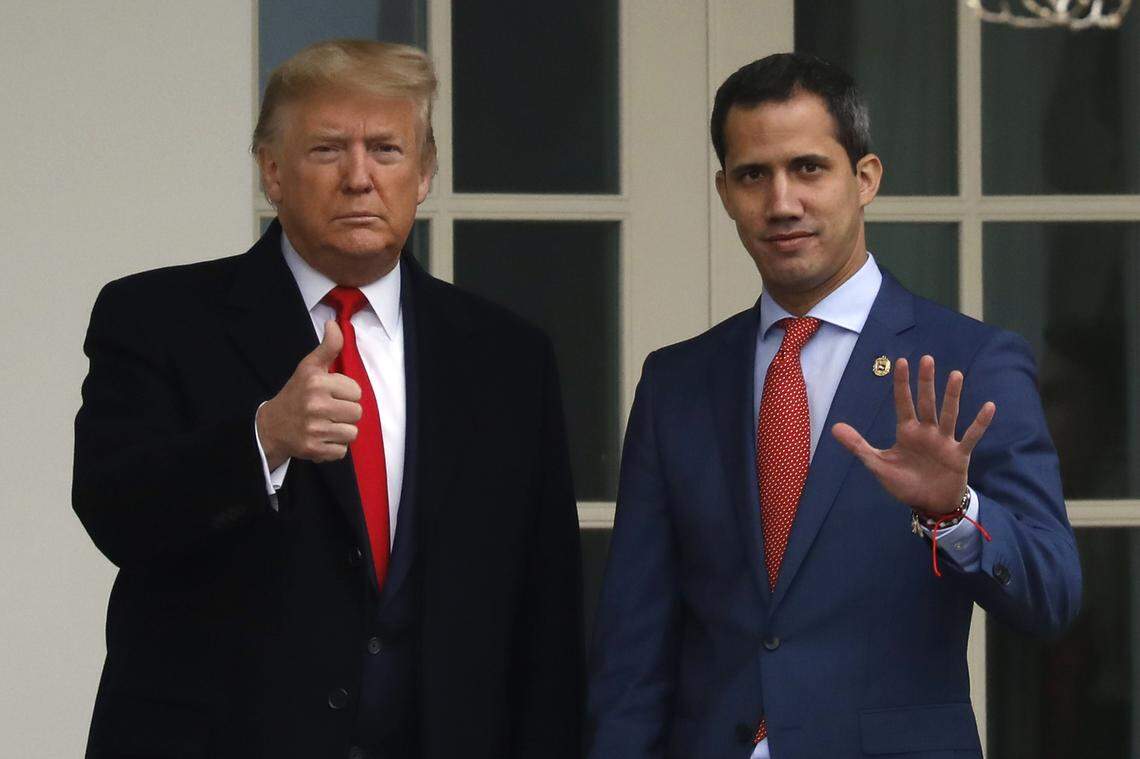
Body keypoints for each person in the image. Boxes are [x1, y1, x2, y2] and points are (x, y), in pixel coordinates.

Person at [73, 39, 582, 759]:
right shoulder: (157, 317)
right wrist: (263, 438)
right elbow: (113, 508)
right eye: (326, 150)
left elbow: (547, 606)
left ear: (426, 172)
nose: (359, 178)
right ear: (271, 171)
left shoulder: (507, 355)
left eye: (386, 149)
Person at [587, 52, 1080, 759]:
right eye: (754, 174)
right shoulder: (677, 382)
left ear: (866, 178)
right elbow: (633, 646)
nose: (782, 201)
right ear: (724, 191)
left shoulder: (972, 362)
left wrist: (956, 512)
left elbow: (1052, 593)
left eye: (809, 168)